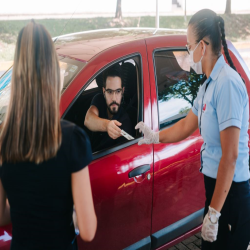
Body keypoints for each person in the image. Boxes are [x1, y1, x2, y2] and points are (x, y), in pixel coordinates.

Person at [135, 9, 250, 250]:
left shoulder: (227, 84)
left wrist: (215, 213)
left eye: (189, 46)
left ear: (203, 46)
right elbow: (186, 125)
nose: (187, 53)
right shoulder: (208, 85)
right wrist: (154, 136)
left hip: (230, 197)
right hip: (217, 191)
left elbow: (230, 157)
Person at [0, 21, 97, 250]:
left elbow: (2, 216)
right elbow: (88, 230)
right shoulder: (73, 139)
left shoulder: (4, 139)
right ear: (53, 73)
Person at [84, 64, 133, 152]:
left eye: (118, 91)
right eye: (110, 92)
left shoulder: (125, 124)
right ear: (104, 91)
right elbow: (88, 120)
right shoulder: (99, 99)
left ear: (123, 91)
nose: (114, 98)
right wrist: (107, 126)